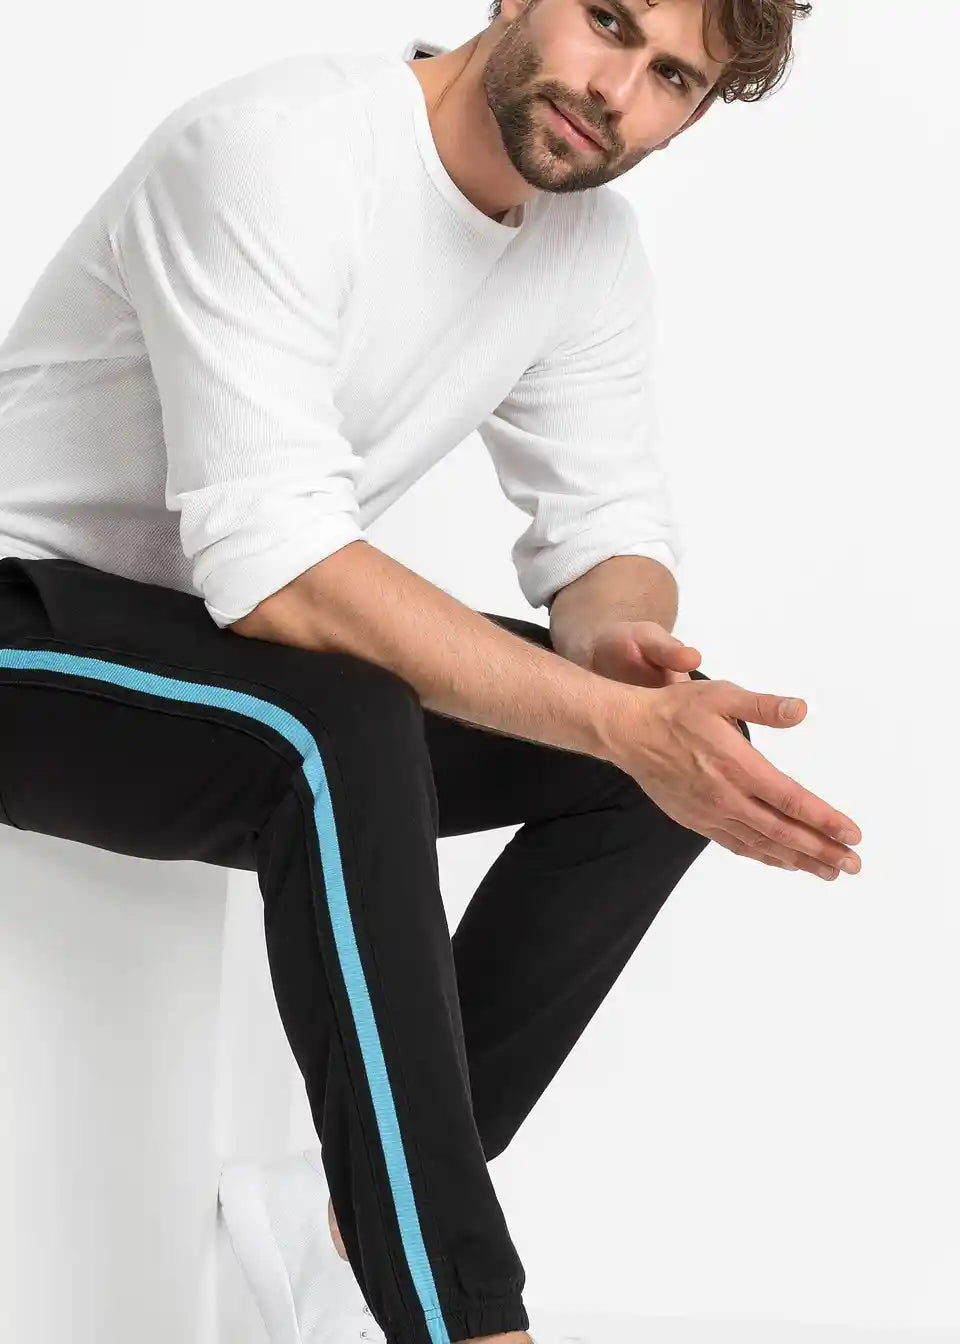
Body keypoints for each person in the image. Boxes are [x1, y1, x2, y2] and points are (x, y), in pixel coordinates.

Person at [0, 1, 862, 1341]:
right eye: (608, 19)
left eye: (672, 76)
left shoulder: (585, 251)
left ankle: (342, 1223)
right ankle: (462, 1316)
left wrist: (627, 662)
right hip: (25, 621)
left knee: (663, 766)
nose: (616, 88)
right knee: (337, 719)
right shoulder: (278, 148)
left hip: (209, 654)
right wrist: (612, 717)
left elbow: (607, 533)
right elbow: (278, 569)